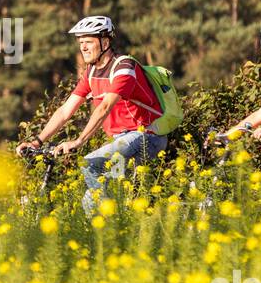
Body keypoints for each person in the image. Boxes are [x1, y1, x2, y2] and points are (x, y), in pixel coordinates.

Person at [17, 16, 168, 216]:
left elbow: (105, 106)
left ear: (105, 42)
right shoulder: (91, 73)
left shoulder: (124, 68)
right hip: (122, 140)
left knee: (89, 163)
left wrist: (79, 141)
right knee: (91, 200)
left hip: (146, 136)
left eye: (88, 42)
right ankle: (108, 235)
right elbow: (65, 111)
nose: (83, 48)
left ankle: (115, 221)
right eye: (81, 43)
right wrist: (37, 141)